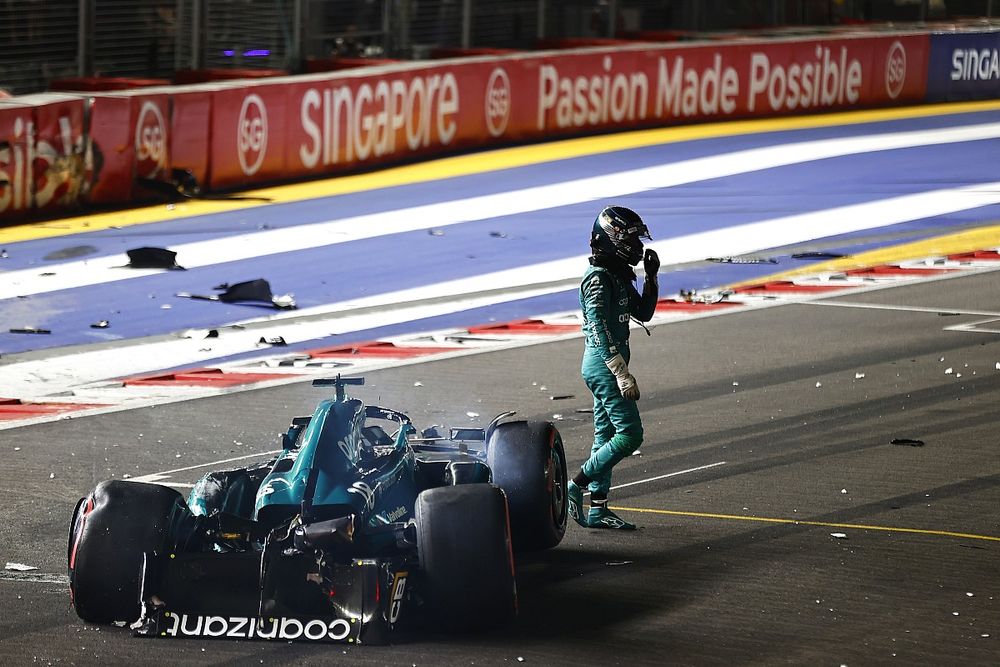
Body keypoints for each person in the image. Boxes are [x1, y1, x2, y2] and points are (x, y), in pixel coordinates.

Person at [568, 205, 659, 530]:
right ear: (611, 238)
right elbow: (596, 327)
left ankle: (599, 508)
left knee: (605, 435)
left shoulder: (616, 275)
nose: (637, 247)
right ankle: (574, 486)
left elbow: (644, 313)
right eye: (631, 240)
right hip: (605, 366)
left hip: (610, 364)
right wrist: (621, 373)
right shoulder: (597, 279)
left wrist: (651, 278)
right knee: (630, 435)